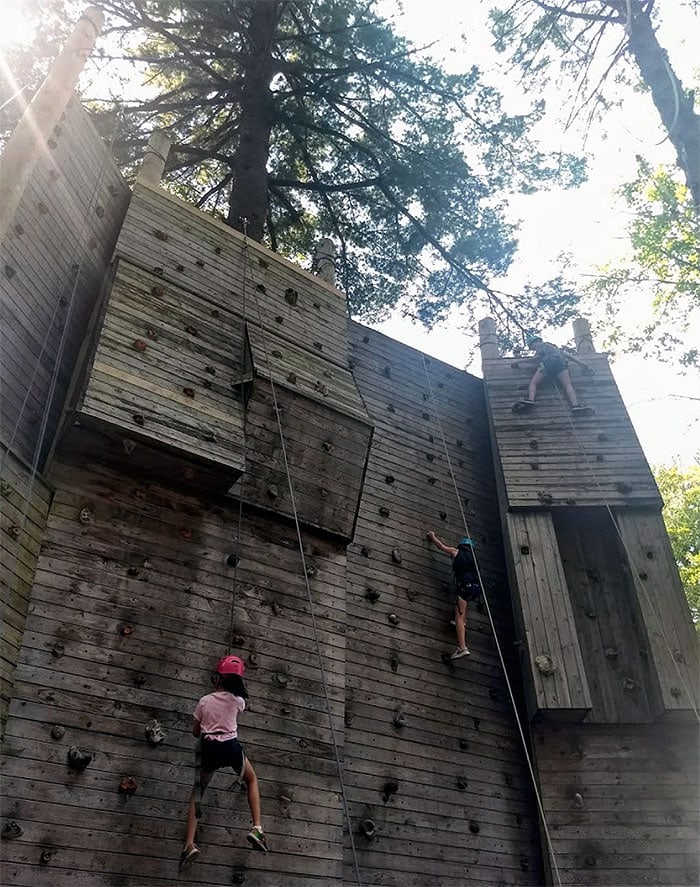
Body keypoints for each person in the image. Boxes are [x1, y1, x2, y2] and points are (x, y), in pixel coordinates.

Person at [179, 655, 267, 871]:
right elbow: (240, 703)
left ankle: (189, 844)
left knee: (198, 793)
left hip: (210, 749)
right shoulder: (238, 702)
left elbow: (195, 732)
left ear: (217, 677)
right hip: (231, 747)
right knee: (252, 779)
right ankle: (256, 827)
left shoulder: (204, 701)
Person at [427, 531, 481, 659]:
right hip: (475, 589)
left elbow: (441, 547)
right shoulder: (474, 560)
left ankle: (462, 648)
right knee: (463, 607)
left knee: (459, 617)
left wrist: (432, 536)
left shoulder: (457, 551)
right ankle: (463, 622)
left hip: (464, 587)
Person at [521, 336, 589, 410]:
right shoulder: (554, 348)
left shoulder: (540, 344)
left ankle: (531, 400)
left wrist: (517, 362)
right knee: (567, 385)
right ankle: (575, 405)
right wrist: (580, 363)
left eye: (532, 347)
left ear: (534, 342)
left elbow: (535, 358)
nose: (533, 349)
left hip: (548, 362)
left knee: (533, 383)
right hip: (561, 364)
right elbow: (568, 356)